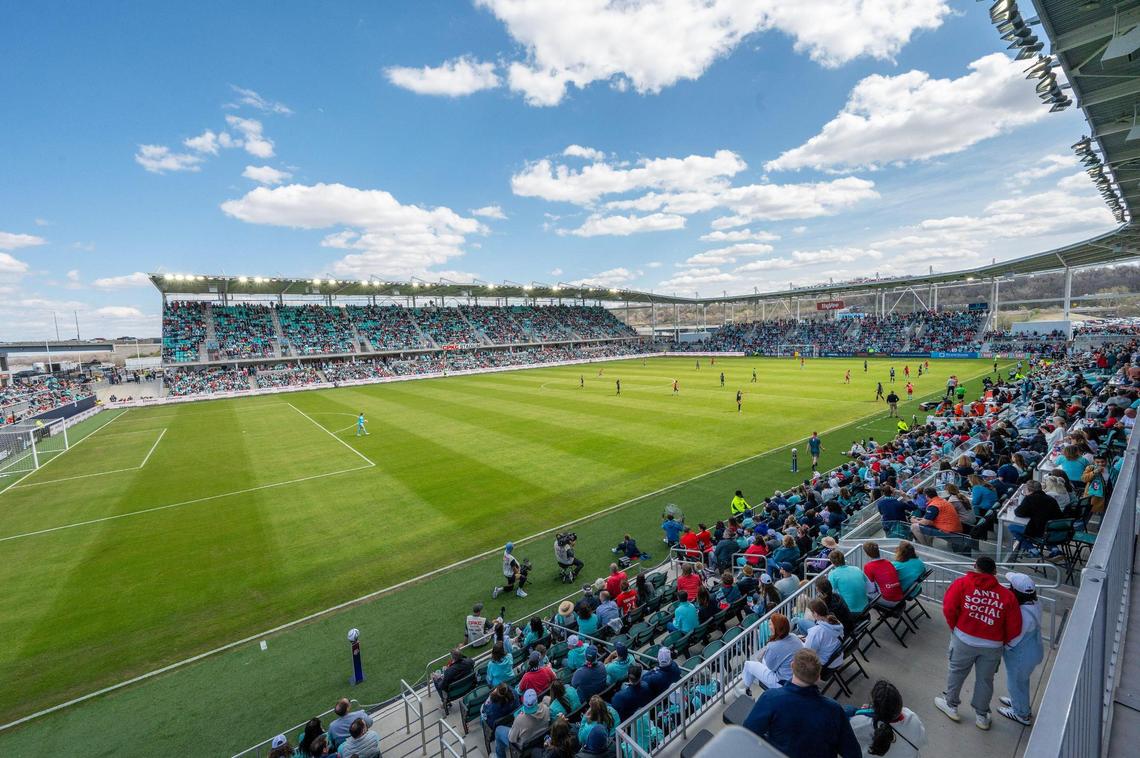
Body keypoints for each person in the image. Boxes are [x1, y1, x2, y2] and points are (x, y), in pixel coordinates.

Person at [935, 555, 1022, 730]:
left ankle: (951, 705)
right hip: (992, 645)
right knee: (985, 680)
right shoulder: (1007, 596)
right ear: (995, 572)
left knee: (957, 672)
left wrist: (956, 628)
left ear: (975, 566)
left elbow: (949, 608)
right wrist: (1000, 640)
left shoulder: (961, 584)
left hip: (964, 639)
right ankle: (982, 716)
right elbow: (1015, 627)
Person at [743, 649, 861, 758]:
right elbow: (853, 753)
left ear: (792, 666)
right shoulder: (834, 709)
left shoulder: (771, 698)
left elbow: (748, 732)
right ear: (818, 676)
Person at [999, 573, 1045, 726]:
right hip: (1033, 651)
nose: (1008, 587)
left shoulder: (1024, 614)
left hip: (1021, 655)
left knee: (1015, 683)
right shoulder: (1035, 604)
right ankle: (1019, 704)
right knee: (1022, 681)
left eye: (1011, 586)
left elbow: (1015, 636)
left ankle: (1021, 714)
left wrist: (1004, 646)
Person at [849, 680, 927, 757]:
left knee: (849, 710)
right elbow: (922, 741)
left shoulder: (860, 723)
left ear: (873, 707)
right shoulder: (911, 717)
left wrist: (862, 712)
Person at [741, 613, 803, 693]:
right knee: (761, 660)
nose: (769, 626)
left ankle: (745, 691)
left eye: (770, 624)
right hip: (796, 676)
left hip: (782, 683)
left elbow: (771, 668)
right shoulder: (794, 637)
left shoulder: (773, 646)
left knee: (748, 664)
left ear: (775, 628)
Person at [1010, 479, 1063, 549]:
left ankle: (1031, 549)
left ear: (1029, 490)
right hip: (1056, 532)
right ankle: (1055, 550)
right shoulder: (1051, 499)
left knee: (1011, 527)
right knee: (1046, 531)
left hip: (1039, 532)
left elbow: (1018, 512)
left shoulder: (1029, 498)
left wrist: (1024, 497)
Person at [496, 689, 549, 758]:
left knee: (498, 730)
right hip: (538, 741)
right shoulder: (546, 708)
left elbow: (511, 739)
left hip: (523, 747)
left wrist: (514, 726)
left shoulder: (519, 719)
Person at [828, 550, 873, 615]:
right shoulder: (856, 569)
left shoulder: (832, 574)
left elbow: (830, 592)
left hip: (850, 612)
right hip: (866, 608)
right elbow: (870, 588)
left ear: (832, 562)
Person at [862, 541, 904, 607]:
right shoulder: (888, 562)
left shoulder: (868, 567)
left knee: (862, 593)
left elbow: (871, 590)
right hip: (900, 597)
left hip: (888, 600)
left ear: (867, 554)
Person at [803, 598, 843, 666]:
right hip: (837, 659)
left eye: (810, 612)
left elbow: (806, 654)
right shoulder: (836, 622)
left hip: (825, 665)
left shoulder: (816, 632)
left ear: (815, 613)